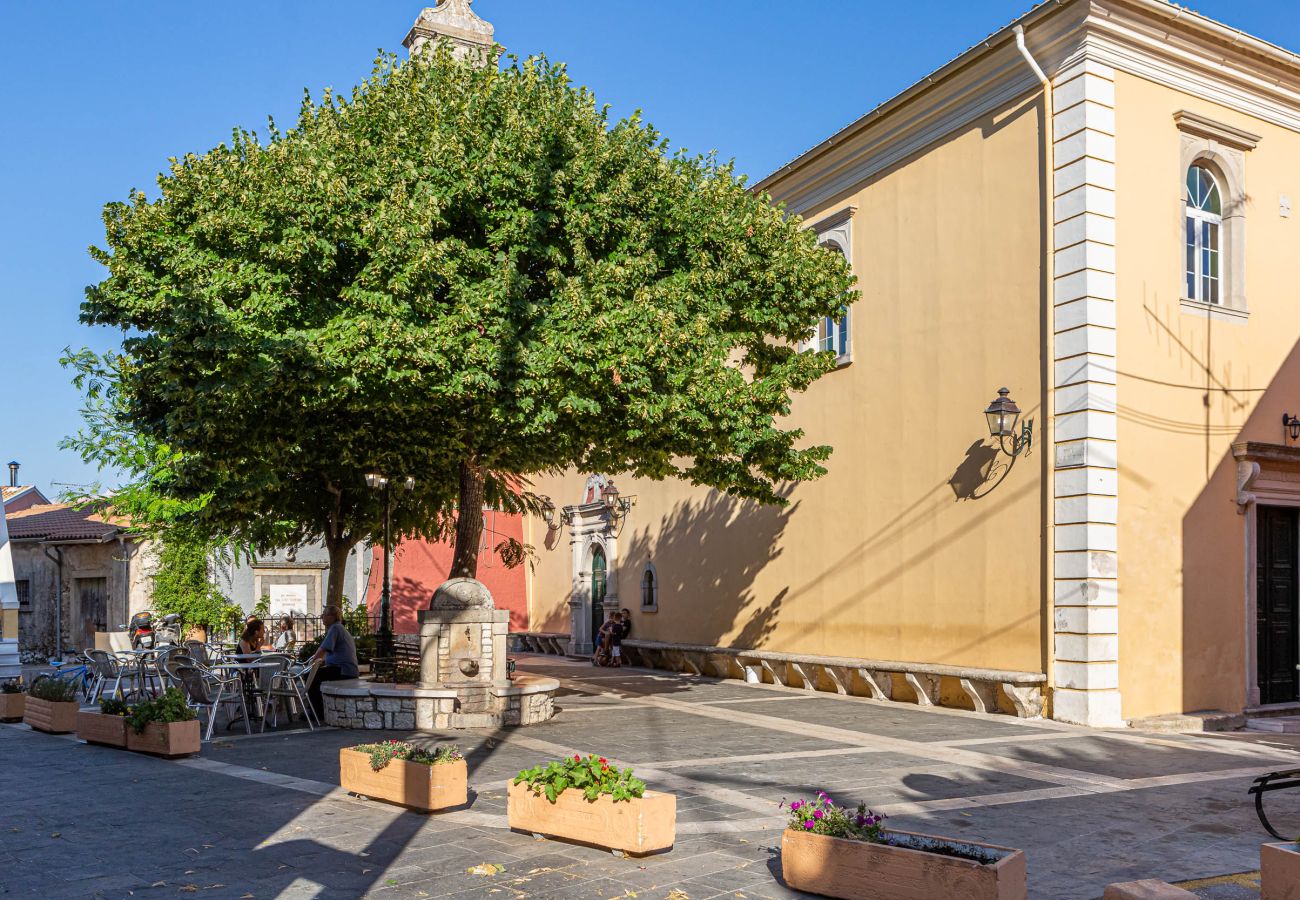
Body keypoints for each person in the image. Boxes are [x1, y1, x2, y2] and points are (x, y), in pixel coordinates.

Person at [308, 604, 359, 717]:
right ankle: (317, 709)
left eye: (324, 615)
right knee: (317, 675)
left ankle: (317, 712)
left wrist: (310, 664)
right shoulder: (338, 628)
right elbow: (331, 653)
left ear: (332, 616)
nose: (322, 618)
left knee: (310, 676)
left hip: (344, 670)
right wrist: (322, 662)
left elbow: (323, 650)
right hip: (344, 669)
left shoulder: (335, 628)